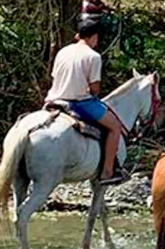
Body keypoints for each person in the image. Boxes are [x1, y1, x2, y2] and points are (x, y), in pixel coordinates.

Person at [45, 20, 127, 185]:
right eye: (97, 37)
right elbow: (95, 89)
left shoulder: (63, 51)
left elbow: (54, 77)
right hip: (79, 103)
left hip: (53, 100)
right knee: (115, 127)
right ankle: (107, 172)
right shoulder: (93, 56)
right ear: (94, 36)